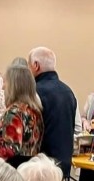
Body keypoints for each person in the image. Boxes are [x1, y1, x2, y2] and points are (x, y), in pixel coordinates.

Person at [0, 62, 43, 168]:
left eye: (5, 82)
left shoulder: (14, 113)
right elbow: (23, 145)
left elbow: (11, 150)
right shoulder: (34, 111)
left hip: (11, 173)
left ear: (14, 85)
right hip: (29, 171)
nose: (3, 87)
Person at [28, 46, 77, 174]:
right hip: (63, 164)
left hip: (41, 165)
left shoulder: (34, 92)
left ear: (36, 65)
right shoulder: (68, 92)